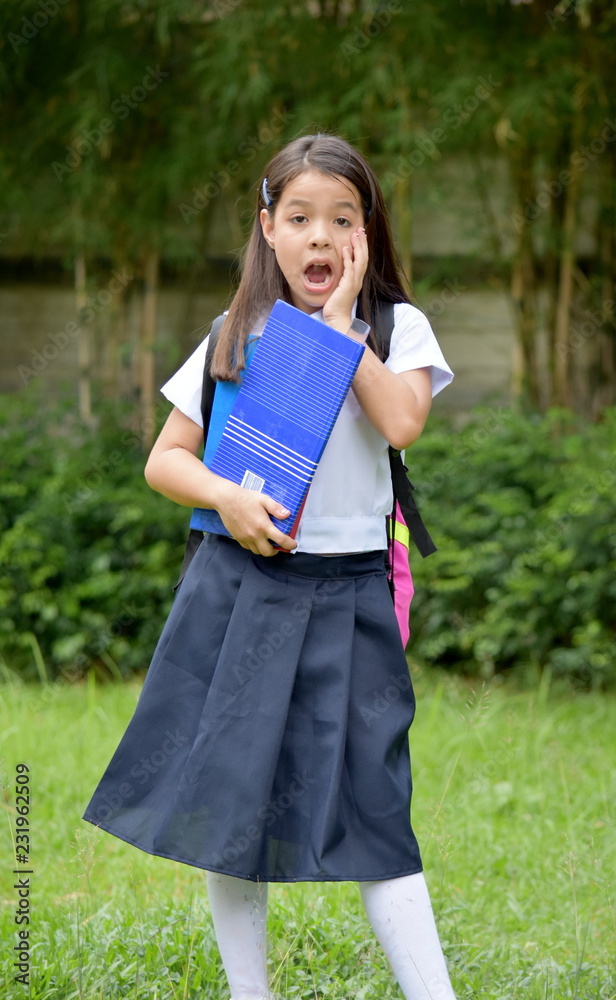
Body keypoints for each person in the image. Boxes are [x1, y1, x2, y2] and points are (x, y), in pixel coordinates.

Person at [83, 133, 456, 1000]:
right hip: (240, 589)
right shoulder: (235, 334)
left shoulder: (398, 329)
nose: (319, 238)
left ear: (368, 235)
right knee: (228, 798)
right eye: (299, 218)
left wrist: (341, 334)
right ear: (267, 229)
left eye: (341, 219)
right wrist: (227, 499)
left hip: (350, 594)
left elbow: (402, 423)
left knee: (375, 802)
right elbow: (165, 461)